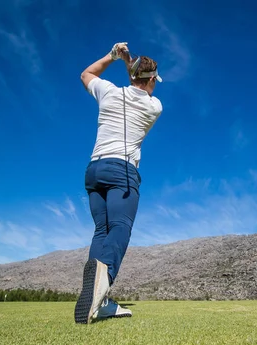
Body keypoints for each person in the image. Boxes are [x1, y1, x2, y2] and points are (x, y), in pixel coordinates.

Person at [74, 42, 163, 324]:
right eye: (154, 81)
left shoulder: (108, 92)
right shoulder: (154, 106)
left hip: (94, 169)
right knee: (121, 228)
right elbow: (138, 85)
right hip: (121, 171)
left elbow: (86, 74)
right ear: (151, 80)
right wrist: (129, 64)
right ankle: (102, 286)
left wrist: (113, 57)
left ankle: (97, 301)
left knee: (102, 230)